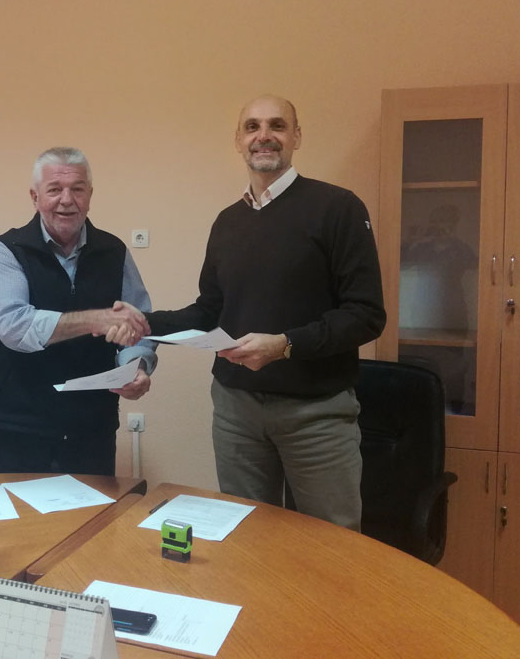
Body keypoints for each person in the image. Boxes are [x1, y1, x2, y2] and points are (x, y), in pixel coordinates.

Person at [137, 95, 385, 529]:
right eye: (252, 127)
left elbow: (366, 314)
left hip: (317, 414)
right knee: (246, 538)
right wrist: (143, 323)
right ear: (238, 140)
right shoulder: (227, 222)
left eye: (277, 125)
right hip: (236, 412)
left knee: (331, 544)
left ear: (296, 137)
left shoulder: (338, 208)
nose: (264, 136)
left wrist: (285, 345)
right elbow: (209, 312)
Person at [0, 147, 156, 475]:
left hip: (92, 428)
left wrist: (136, 366)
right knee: (24, 511)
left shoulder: (114, 251)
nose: (67, 200)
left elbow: (139, 322)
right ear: (34, 197)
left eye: (77, 189)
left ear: (90, 195)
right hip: (21, 428)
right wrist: (96, 319)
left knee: (96, 509)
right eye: (54, 189)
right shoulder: (8, 251)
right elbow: (15, 327)